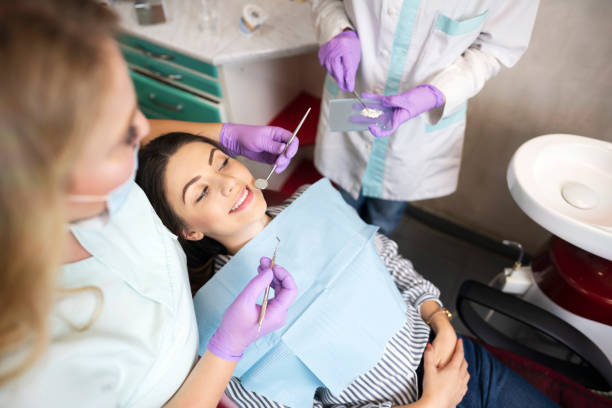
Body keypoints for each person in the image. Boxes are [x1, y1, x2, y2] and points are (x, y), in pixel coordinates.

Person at [0, 1, 299, 406]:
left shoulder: (105, 189)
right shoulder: (28, 365)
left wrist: (222, 134)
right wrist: (224, 353)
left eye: (134, 106)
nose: (144, 128)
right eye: (122, 136)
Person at [136, 131, 558, 408]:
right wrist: (430, 405)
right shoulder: (220, 321)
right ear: (189, 231)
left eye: (222, 161)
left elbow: (392, 264)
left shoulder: (312, 204)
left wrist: (440, 319)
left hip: (458, 363)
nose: (228, 182)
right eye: (202, 191)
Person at [311, 1, 540, 235]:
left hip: (416, 127)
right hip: (353, 101)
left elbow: (495, 49)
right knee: (340, 207)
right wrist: (338, 31)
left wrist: (436, 93)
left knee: (384, 218)